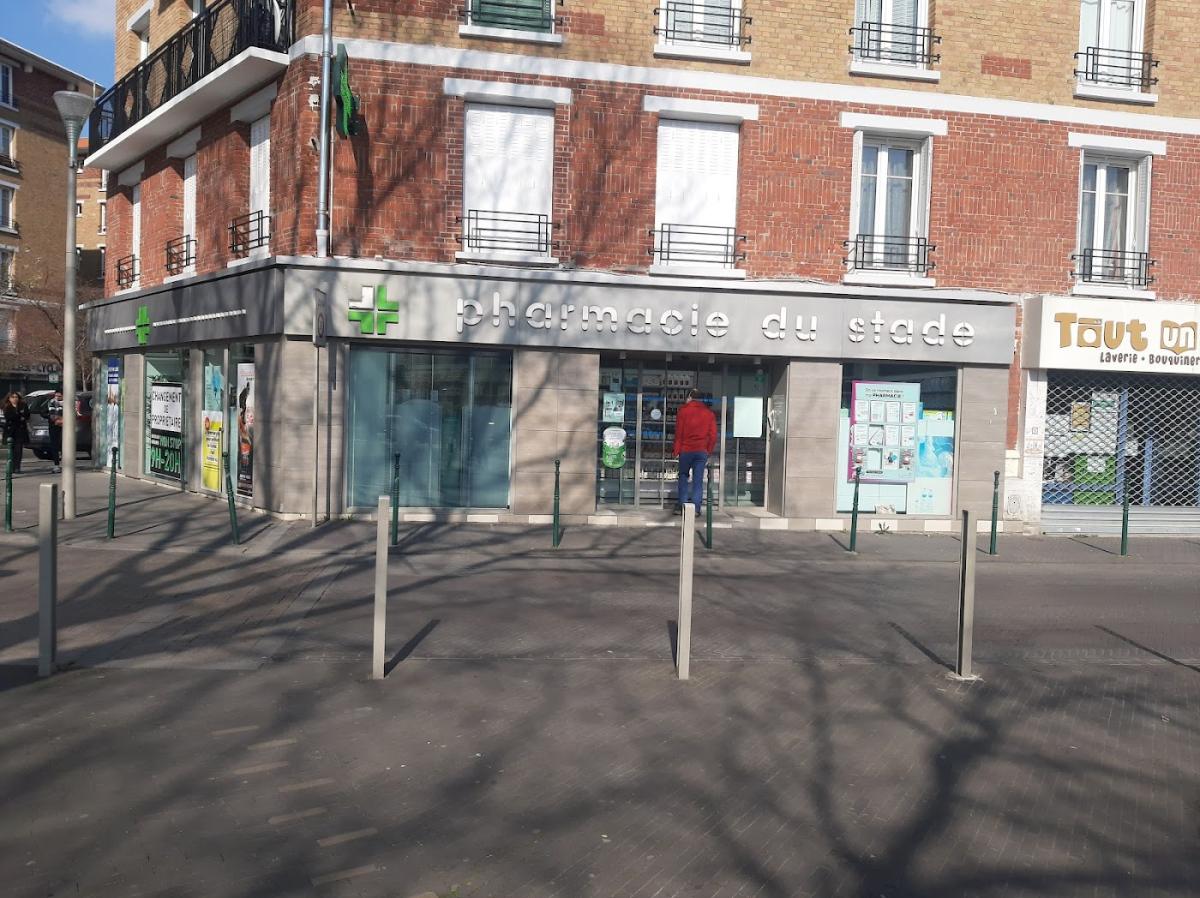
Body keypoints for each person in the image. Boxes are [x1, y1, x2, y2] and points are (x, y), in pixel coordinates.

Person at [672, 388, 718, 516]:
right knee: (698, 481)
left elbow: (679, 434)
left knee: (683, 477)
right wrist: (708, 451)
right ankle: (696, 509)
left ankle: (683, 506)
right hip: (701, 451)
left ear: (690, 397)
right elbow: (713, 436)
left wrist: (676, 451)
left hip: (686, 450)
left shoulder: (683, 412)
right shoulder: (709, 414)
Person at [3, 392, 31, 474]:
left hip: (20, 430)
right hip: (10, 431)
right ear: (9, 398)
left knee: (18, 450)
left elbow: (27, 415)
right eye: (13, 397)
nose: (15, 399)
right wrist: (19, 415)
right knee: (11, 450)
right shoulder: (7, 407)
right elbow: (9, 417)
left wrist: (20, 416)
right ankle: (11, 467)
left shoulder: (23, 406)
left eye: (16, 397)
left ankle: (17, 467)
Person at [46, 390, 65, 474]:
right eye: (56, 396)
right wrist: (55, 420)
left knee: (64, 446)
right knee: (55, 445)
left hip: (65, 426)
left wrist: (63, 420)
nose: (57, 398)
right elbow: (47, 413)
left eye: (59, 396)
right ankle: (56, 465)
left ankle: (66, 464)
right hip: (54, 425)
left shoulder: (68, 402)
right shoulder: (51, 402)